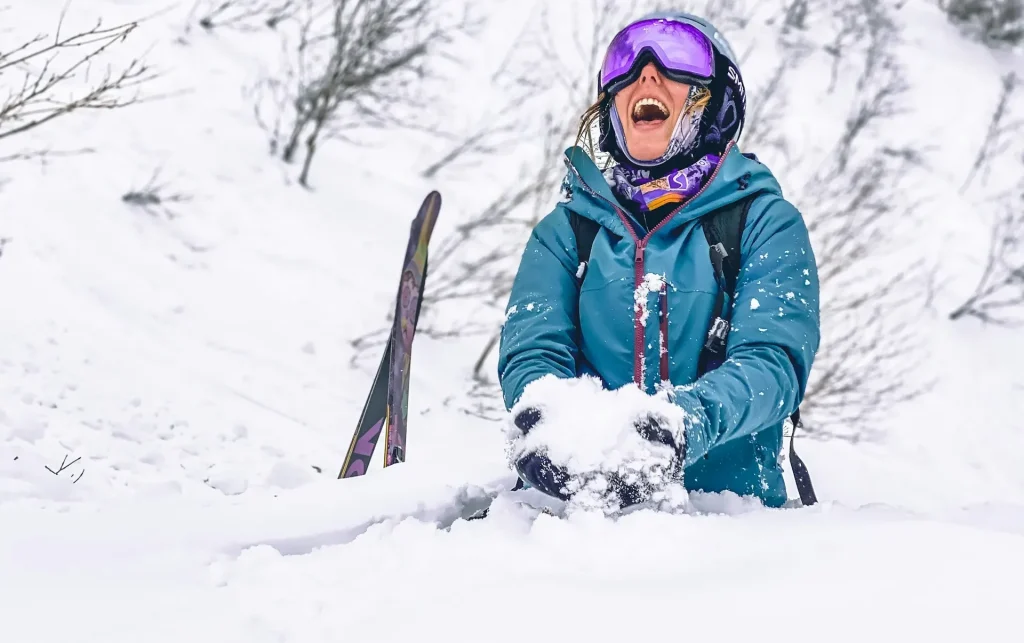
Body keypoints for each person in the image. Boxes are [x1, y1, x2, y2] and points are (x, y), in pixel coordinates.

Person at [496, 11, 821, 509]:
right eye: (624, 61)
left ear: (717, 100)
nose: (646, 74)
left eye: (680, 58)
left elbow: (773, 364)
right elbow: (533, 350)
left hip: (730, 526)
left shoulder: (763, 222)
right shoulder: (566, 232)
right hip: (570, 527)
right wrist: (544, 419)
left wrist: (679, 426)